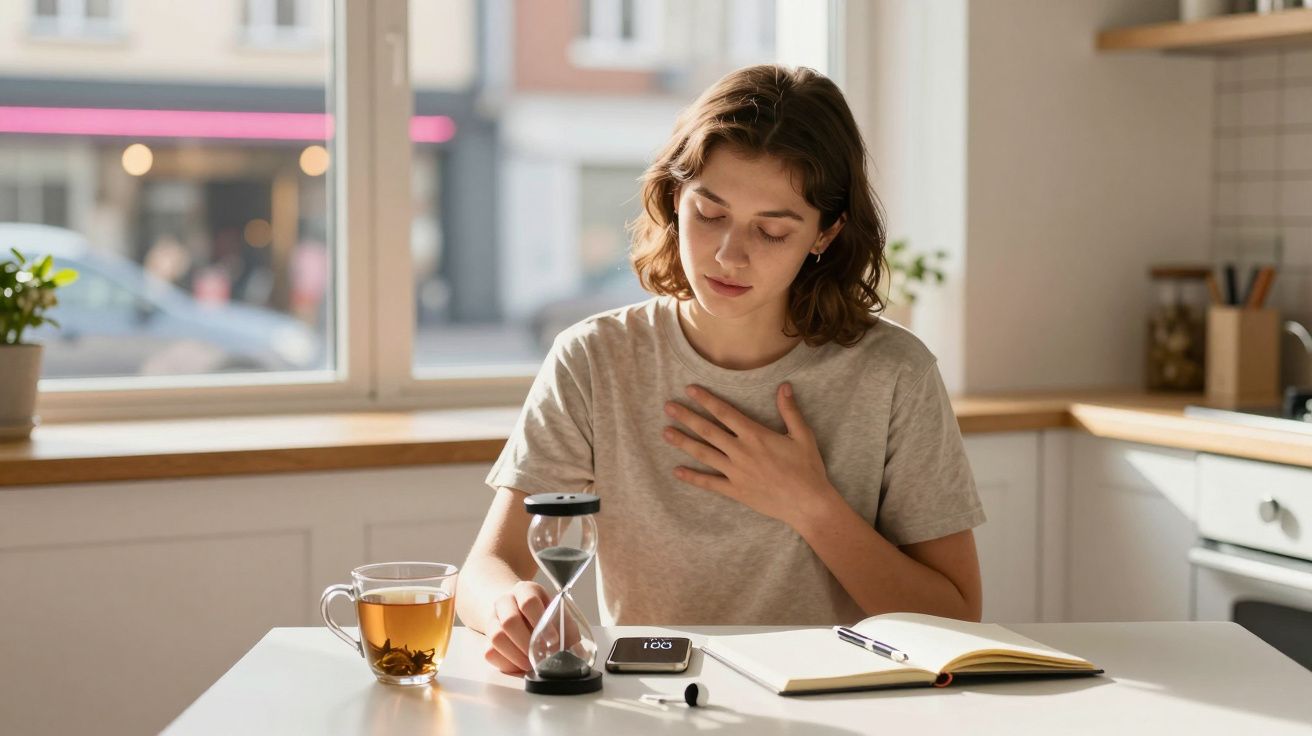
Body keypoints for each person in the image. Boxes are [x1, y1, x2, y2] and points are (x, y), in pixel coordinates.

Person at [457, 64, 986, 676]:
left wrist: (810, 505)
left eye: (772, 230)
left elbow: (956, 618)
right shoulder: (595, 358)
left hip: (840, 701)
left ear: (826, 233)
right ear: (673, 198)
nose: (731, 255)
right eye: (710, 213)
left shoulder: (894, 372)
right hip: (655, 698)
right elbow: (486, 570)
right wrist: (507, 607)